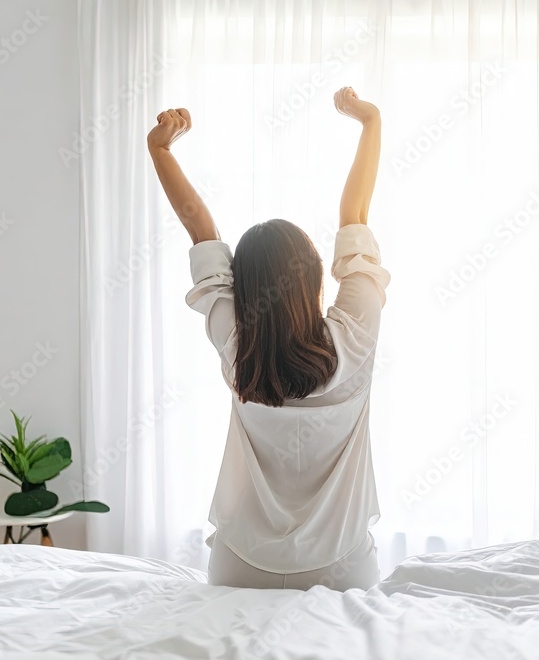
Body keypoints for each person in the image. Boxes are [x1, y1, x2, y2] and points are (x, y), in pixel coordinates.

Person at [147, 87, 388, 591]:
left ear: (243, 288)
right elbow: (355, 217)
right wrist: (369, 123)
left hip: (240, 568)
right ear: (318, 275)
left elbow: (199, 227)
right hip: (342, 569)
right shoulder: (354, 337)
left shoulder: (238, 348)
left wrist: (161, 149)